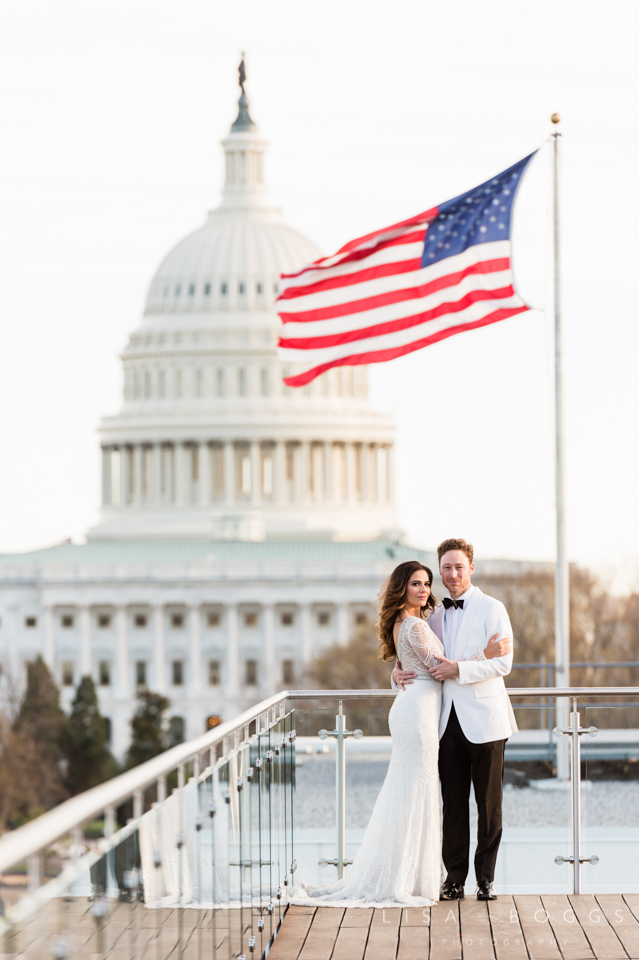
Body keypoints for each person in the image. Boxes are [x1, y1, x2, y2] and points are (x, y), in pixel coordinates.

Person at [291, 559, 508, 907]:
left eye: (426, 584)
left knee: (413, 792)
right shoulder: (419, 624)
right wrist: (483, 654)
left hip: (437, 712)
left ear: (470, 568)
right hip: (421, 714)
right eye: (416, 584)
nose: (424, 589)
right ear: (401, 588)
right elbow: (439, 667)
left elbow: (420, 662)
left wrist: (399, 671)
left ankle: (423, 874)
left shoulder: (427, 618)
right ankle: (411, 876)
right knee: (420, 794)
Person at [393, 539, 516, 902]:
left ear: (471, 568)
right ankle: (453, 879)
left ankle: (487, 879)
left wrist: (460, 667)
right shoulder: (433, 616)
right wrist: (395, 676)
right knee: (453, 805)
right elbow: (419, 663)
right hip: (444, 722)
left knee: (489, 807)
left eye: (458, 567)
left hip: (487, 720)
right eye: (445, 568)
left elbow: (503, 664)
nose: (452, 574)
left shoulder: (493, 608)